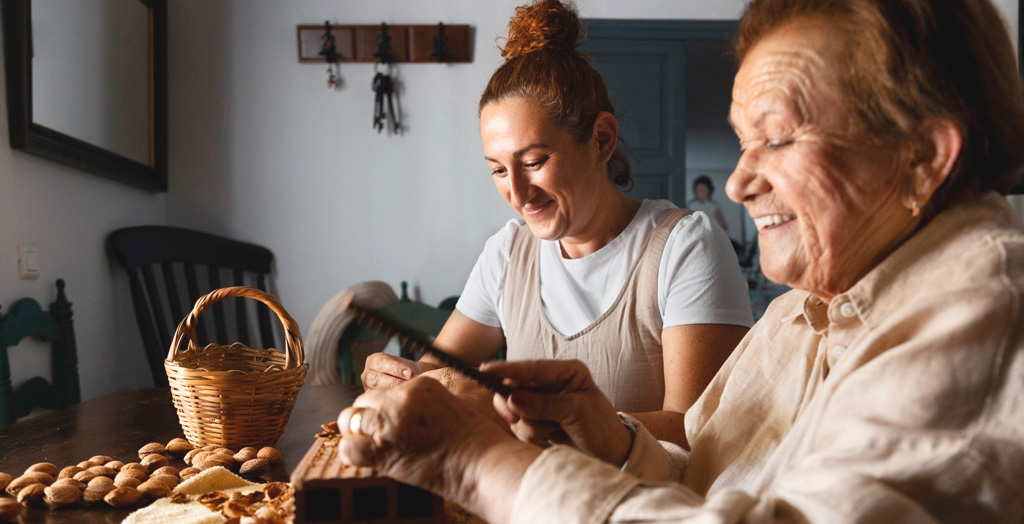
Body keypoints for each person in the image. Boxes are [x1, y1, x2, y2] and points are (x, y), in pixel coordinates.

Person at [336, 0, 1024, 522]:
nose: (737, 182)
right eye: (743, 142)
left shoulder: (982, 314)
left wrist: (477, 463)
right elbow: (707, 456)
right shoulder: (797, 316)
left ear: (925, 156)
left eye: (778, 139)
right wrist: (602, 432)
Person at [360, 0, 752, 448]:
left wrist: (496, 406)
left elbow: (696, 431)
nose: (519, 194)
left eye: (534, 161)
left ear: (601, 139)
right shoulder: (508, 254)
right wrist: (400, 377)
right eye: (499, 170)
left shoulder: (685, 247)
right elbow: (434, 372)